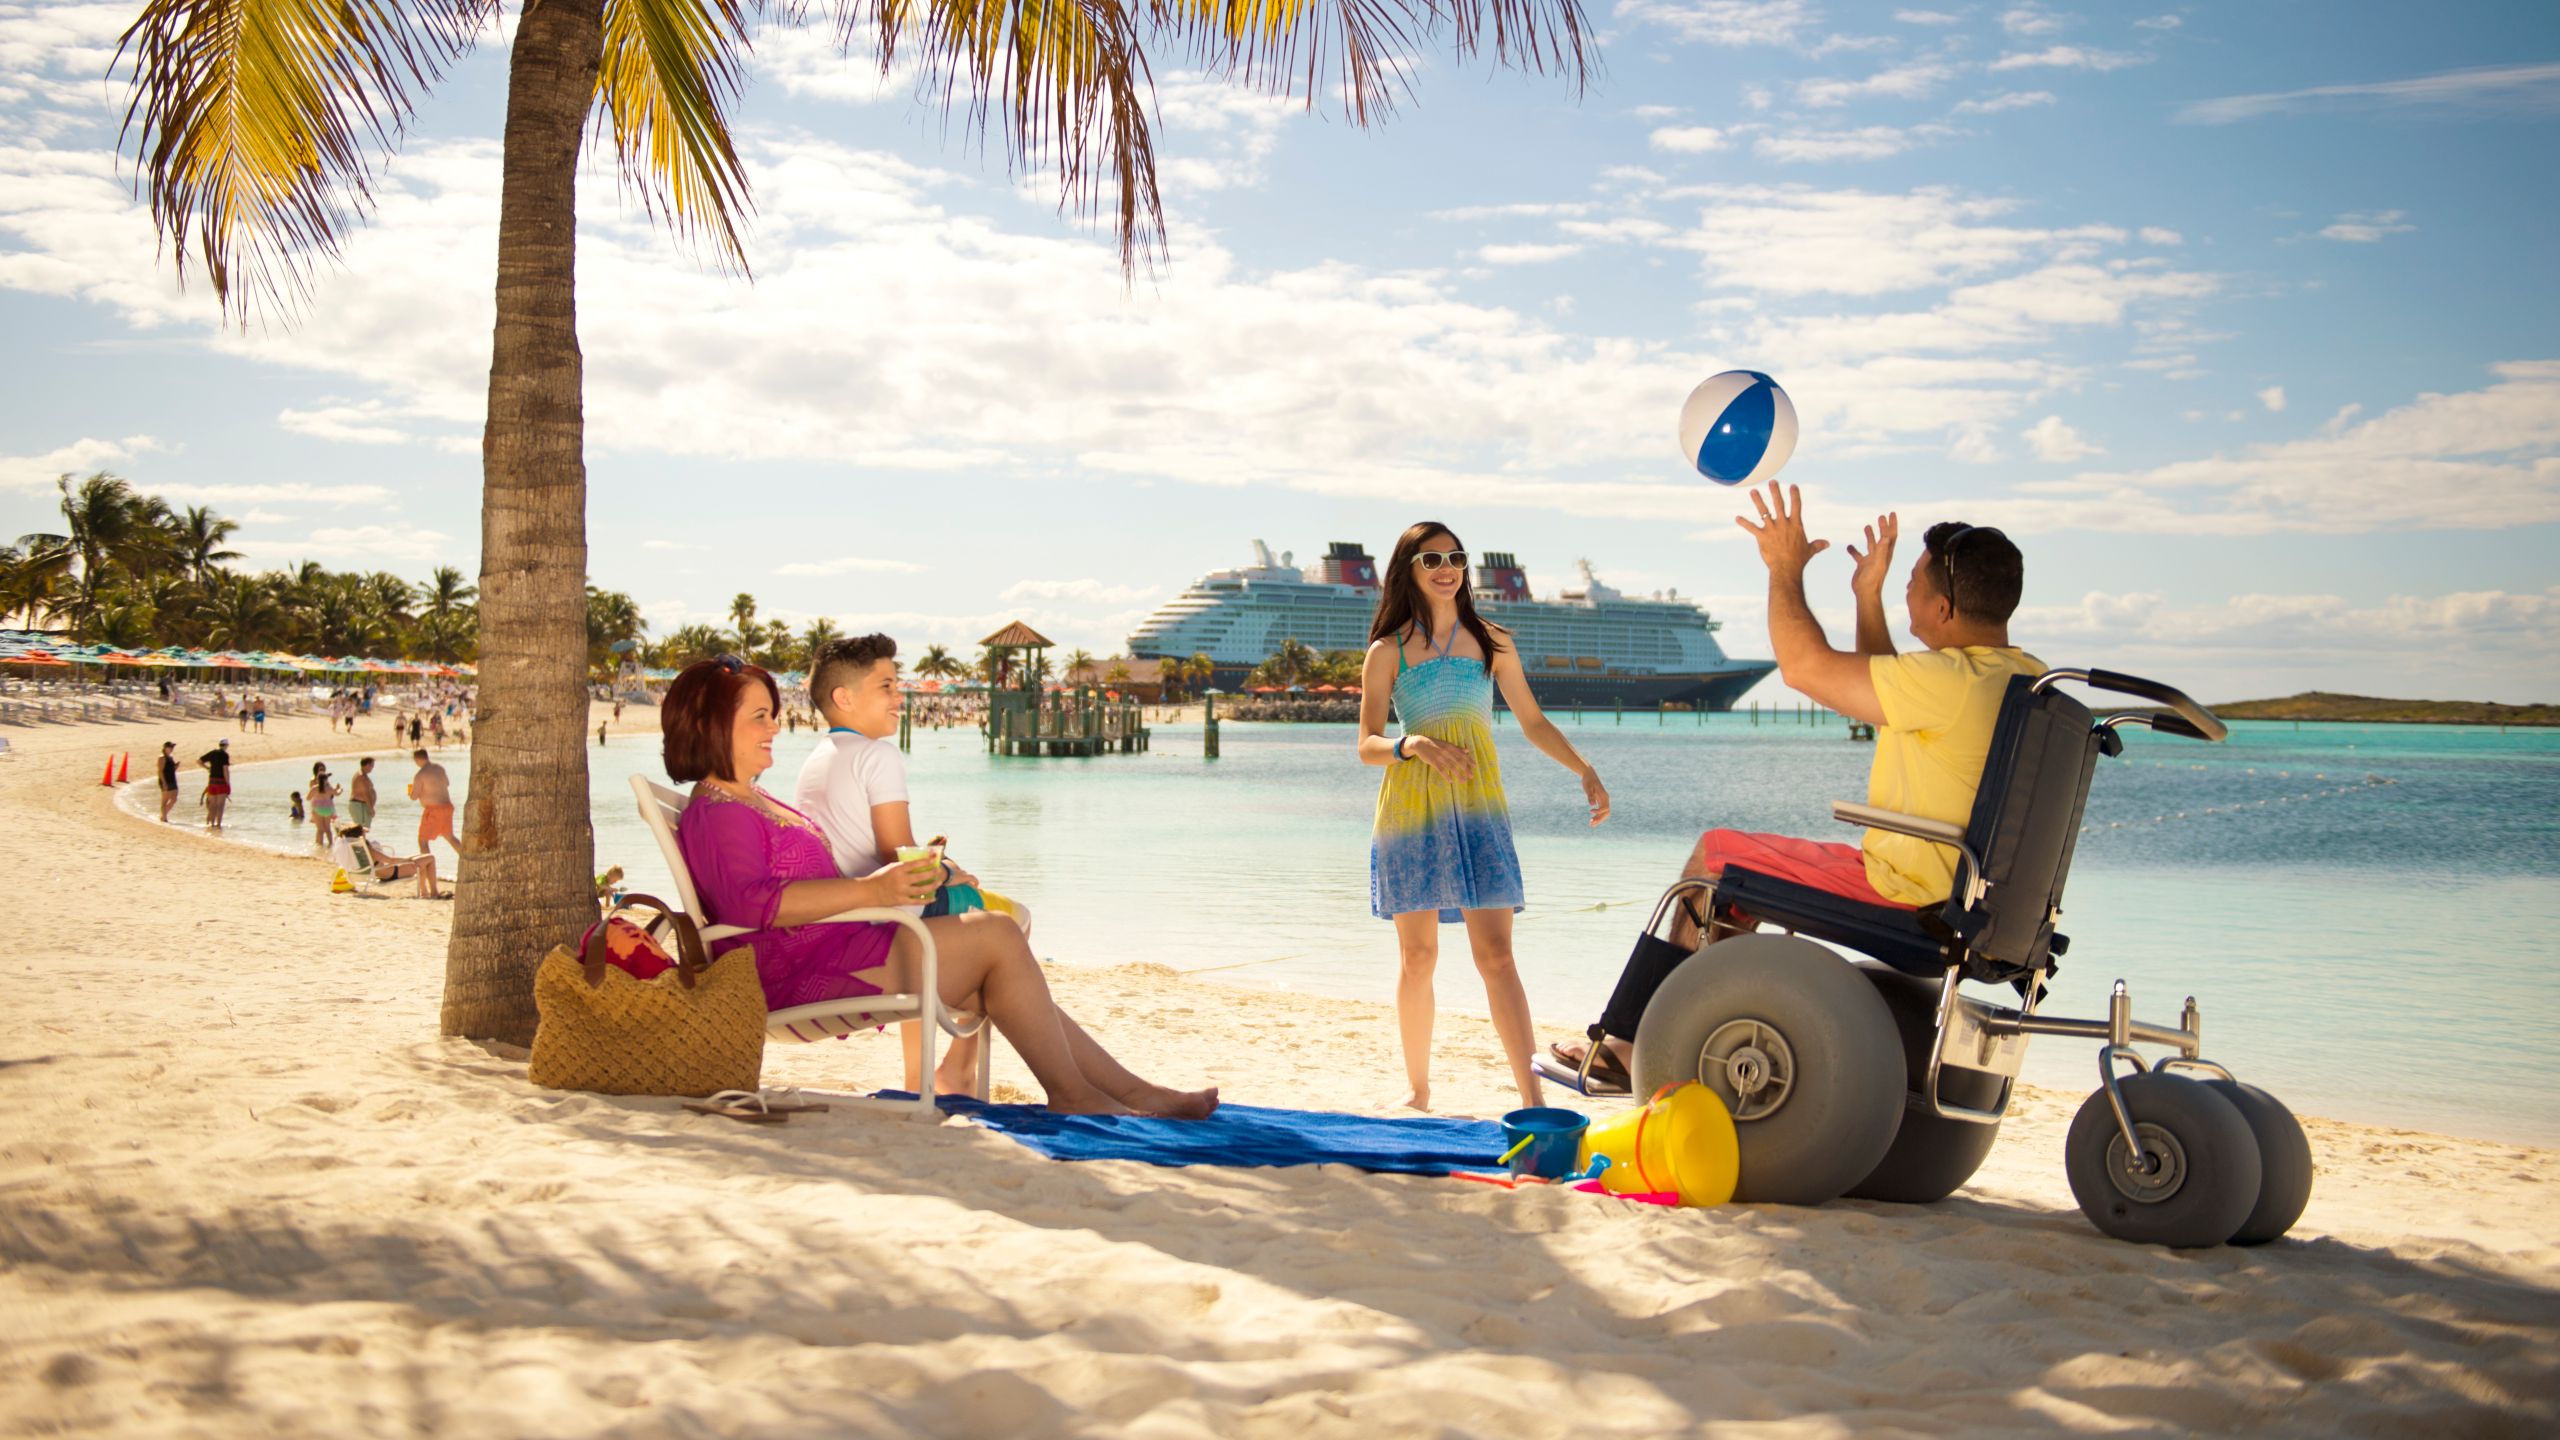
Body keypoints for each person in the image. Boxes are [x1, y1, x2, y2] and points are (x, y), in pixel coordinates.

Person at [1550, 482, 2044, 1093]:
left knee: (1714, 857)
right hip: (1972, 905)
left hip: (1911, 898)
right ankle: (1697, 1034)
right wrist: (1868, 597)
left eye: (1914, 582)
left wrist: (1785, 569)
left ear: (1944, 610)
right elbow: (1885, 695)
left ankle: (1627, 1047)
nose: (1907, 590)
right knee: (1740, 882)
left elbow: (1803, 669)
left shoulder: (1950, 680)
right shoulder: (2018, 678)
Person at [666, 655, 1215, 1117]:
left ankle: (1132, 1093)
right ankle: (1075, 1095)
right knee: (998, 934)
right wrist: (873, 892)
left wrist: (894, 888)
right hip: (795, 969)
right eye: (759, 717)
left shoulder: (752, 800)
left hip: (834, 945)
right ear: (713, 724)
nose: (773, 728)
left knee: (994, 978)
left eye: (772, 715)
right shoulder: (717, 812)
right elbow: (751, 903)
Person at [1359, 521, 1610, 1111]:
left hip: (1478, 808)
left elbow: (1533, 721)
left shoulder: (1491, 640)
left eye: (1455, 557)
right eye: (1431, 559)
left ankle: (1533, 1101)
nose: (1446, 567)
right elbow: (1367, 743)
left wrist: (1584, 769)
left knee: (1496, 955)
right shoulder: (1387, 650)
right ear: (1409, 571)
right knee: (1417, 957)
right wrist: (1412, 745)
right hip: (1410, 812)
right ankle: (1418, 1092)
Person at [794, 633, 1000, 1095]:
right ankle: (957, 1068)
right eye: (885, 686)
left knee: (962, 913)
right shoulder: (879, 755)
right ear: (844, 698)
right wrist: (949, 870)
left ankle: (919, 1078)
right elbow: (896, 854)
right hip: (884, 918)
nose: (898, 696)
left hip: (847, 913)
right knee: (1005, 919)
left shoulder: (818, 757)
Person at [332, 825, 445, 899]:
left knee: (422, 858)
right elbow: (390, 860)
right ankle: (434, 893)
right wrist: (408, 860)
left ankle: (425, 893)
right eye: (364, 833)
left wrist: (408, 859)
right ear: (361, 835)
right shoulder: (368, 849)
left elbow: (389, 861)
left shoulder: (355, 847)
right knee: (430, 858)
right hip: (392, 873)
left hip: (385, 871)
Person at [412, 748, 457, 859]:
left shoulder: (420, 775)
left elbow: (413, 796)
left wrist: (410, 788)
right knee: (450, 837)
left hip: (434, 810)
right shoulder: (439, 768)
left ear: (417, 760)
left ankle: (428, 869)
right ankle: (466, 861)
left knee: (422, 841)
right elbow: (447, 783)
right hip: (447, 807)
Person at [199, 738, 233, 829]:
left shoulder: (212, 753)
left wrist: (207, 768)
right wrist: (228, 784)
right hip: (221, 782)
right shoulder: (225, 755)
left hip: (212, 781)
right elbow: (225, 769)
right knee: (220, 805)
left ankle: (211, 823)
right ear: (226, 745)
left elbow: (199, 761)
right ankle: (218, 824)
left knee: (212, 804)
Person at [306, 762, 339, 851]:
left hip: (319, 806)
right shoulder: (316, 781)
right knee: (324, 829)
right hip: (324, 806)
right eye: (320, 769)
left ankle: (320, 847)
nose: (322, 771)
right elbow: (332, 793)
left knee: (322, 829)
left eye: (323, 769)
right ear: (316, 770)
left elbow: (309, 796)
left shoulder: (321, 783)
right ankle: (325, 846)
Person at [347, 756, 377, 830]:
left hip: (362, 805)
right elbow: (365, 793)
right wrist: (371, 807)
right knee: (360, 829)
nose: (372, 768)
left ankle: (362, 841)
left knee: (364, 829)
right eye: (372, 766)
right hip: (359, 805)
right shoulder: (361, 777)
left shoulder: (364, 776)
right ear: (367, 765)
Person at [155, 741, 180, 823]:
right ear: (165, 748)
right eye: (170, 747)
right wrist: (164, 783)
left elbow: (172, 770)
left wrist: (176, 766)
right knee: (164, 800)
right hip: (165, 780)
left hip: (172, 779)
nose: (171, 749)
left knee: (174, 799)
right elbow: (160, 771)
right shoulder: (161, 758)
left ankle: (163, 814)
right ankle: (164, 817)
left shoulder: (170, 757)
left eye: (172, 747)